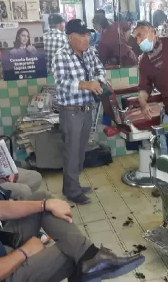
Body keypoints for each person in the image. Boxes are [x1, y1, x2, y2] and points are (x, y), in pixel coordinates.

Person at [0, 128, 144, 282]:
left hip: (0, 245)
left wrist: (46, 204)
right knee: (67, 253)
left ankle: (90, 258)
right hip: (3, 274)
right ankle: (88, 262)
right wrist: (26, 252)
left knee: (42, 201)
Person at [52, 19, 106, 205]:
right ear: (71, 37)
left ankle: (73, 184)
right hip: (71, 112)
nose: (87, 38)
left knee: (81, 151)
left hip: (86, 109)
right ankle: (72, 191)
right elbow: (61, 84)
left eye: (87, 34)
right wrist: (85, 85)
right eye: (82, 35)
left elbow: (99, 68)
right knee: (72, 152)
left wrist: (98, 80)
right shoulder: (61, 56)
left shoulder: (89, 52)